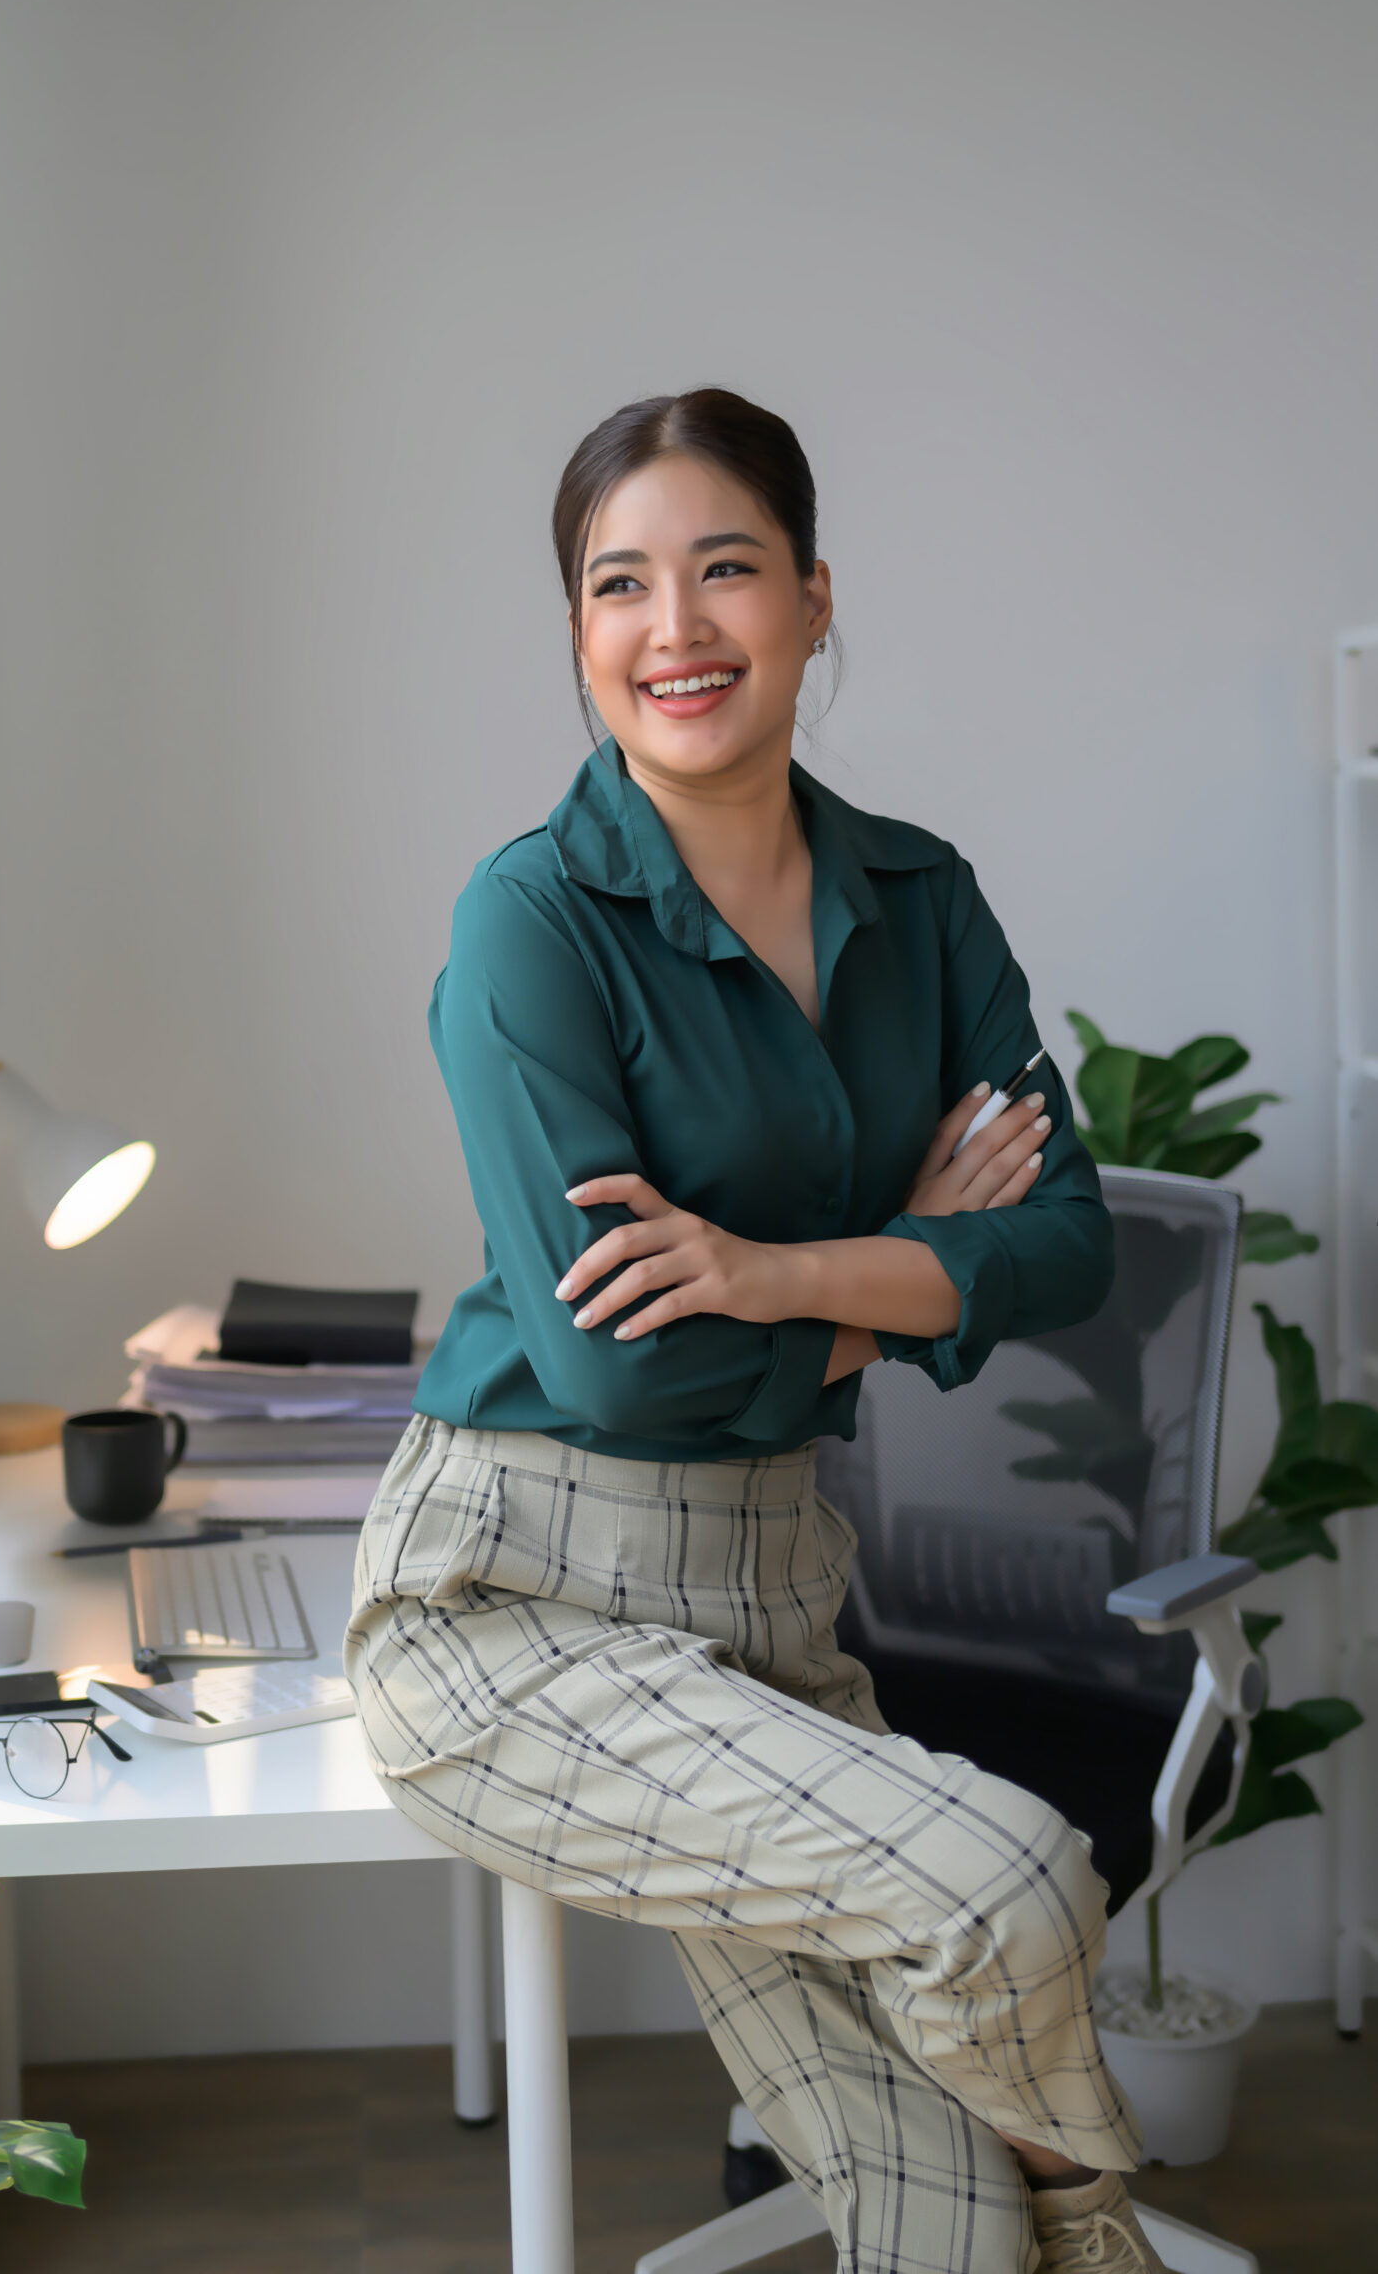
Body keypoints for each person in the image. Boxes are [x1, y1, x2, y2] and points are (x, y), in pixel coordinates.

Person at [346, 387, 1157, 2274]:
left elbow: (1064, 1242)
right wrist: (909, 1270)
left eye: (724, 570)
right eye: (618, 585)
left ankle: (1028, 2200)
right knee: (1017, 1881)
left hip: (769, 1608)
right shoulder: (531, 923)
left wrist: (787, 1271)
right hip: (515, 1612)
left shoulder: (921, 899)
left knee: (938, 2216)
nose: (674, 627)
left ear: (809, 596)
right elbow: (624, 1366)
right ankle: (1099, 2210)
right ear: (577, 637)